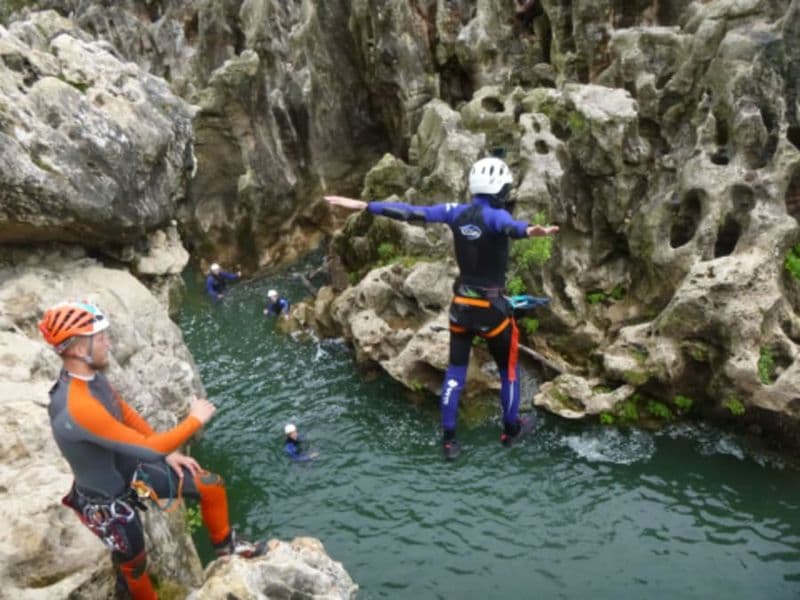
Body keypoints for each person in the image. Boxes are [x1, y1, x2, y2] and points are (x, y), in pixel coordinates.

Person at [325, 156, 559, 460]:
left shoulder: (456, 212)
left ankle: (449, 442)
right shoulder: (496, 217)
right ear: (499, 189)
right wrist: (531, 231)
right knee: (508, 373)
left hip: (461, 306)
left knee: (455, 372)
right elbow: (512, 228)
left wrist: (366, 206)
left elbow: (412, 213)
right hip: (493, 310)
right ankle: (511, 430)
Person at [39, 301, 266, 600]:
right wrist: (194, 419)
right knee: (135, 565)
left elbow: (124, 412)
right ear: (80, 349)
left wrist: (167, 453)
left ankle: (228, 550)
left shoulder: (91, 378)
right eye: (101, 337)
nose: (109, 341)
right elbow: (146, 450)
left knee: (210, 486)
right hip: (108, 503)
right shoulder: (78, 407)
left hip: (132, 474)